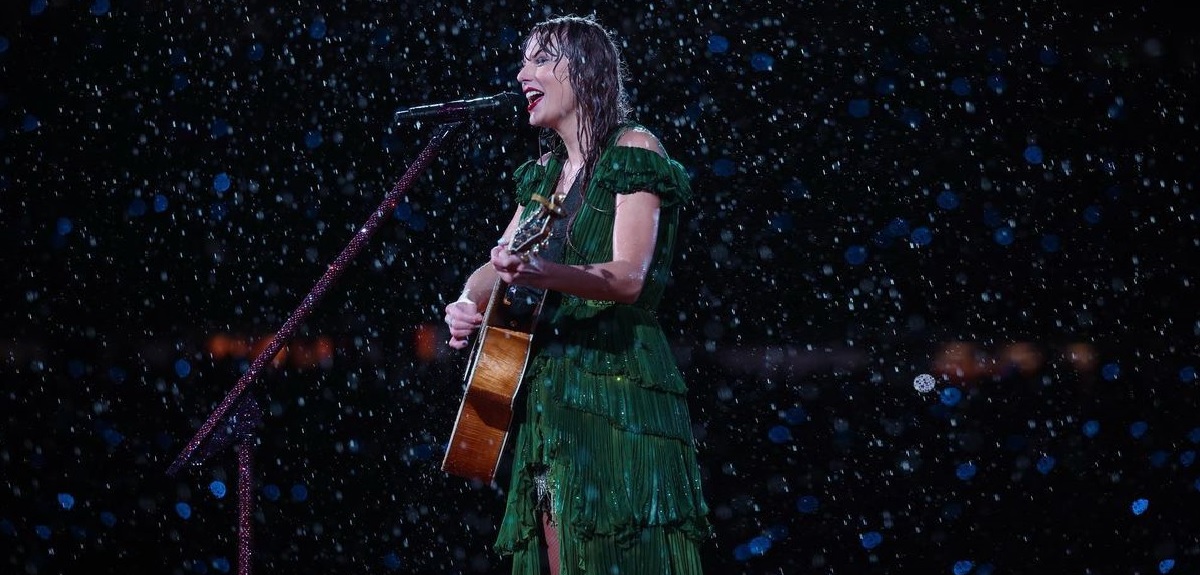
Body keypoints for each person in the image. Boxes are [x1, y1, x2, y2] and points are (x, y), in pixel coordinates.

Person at [441, 14, 711, 575]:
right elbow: (494, 266)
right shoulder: (542, 176)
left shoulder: (632, 150)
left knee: (623, 549)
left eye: (541, 59)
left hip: (618, 386)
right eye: (523, 59)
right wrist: (468, 301)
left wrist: (542, 273)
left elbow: (629, 277)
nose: (521, 74)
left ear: (585, 70)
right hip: (548, 392)